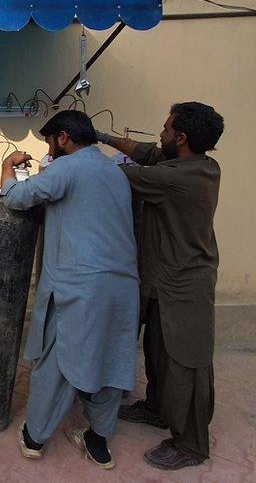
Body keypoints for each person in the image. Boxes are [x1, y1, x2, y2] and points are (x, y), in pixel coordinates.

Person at [0, 110, 140, 470]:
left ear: (63, 137)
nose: (49, 149)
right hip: (123, 285)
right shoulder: (114, 172)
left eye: (50, 141)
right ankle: (98, 440)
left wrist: (8, 166)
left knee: (60, 360)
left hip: (82, 286)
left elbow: (16, 197)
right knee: (109, 359)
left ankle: (35, 438)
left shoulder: (70, 167)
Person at [98, 102, 224, 470]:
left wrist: (78, 155)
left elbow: (120, 175)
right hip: (160, 277)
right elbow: (148, 153)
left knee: (187, 362)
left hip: (185, 284)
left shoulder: (178, 178)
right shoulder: (195, 163)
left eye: (167, 129)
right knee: (156, 349)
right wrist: (103, 137)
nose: (161, 133)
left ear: (181, 138)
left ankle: (191, 444)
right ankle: (156, 408)